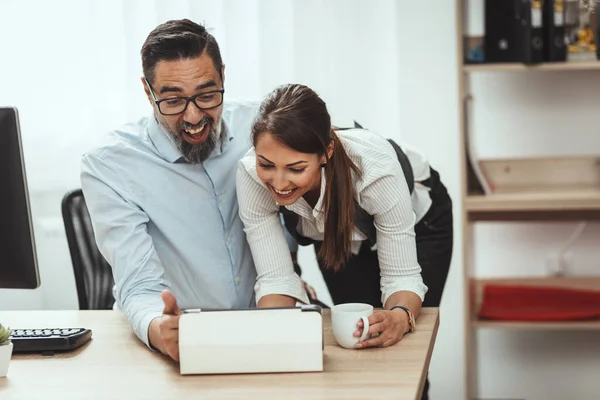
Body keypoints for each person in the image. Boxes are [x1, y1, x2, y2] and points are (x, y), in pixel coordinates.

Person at [80, 18, 273, 362]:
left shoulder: (259, 127)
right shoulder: (111, 164)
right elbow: (138, 283)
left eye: (207, 95)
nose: (194, 116)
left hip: (259, 327)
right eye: (173, 101)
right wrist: (159, 328)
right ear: (147, 91)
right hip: (174, 340)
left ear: (223, 76)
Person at [237, 84, 453, 350]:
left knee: (403, 341)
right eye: (266, 165)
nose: (279, 183)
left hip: (421, 221)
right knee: (358, 335)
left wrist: (399, 317)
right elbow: (276, 279)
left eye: (296, 168)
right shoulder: (250, 176)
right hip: (336, 231)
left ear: (326, 152)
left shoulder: (375, 171)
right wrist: (272, 340)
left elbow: (402, 276)